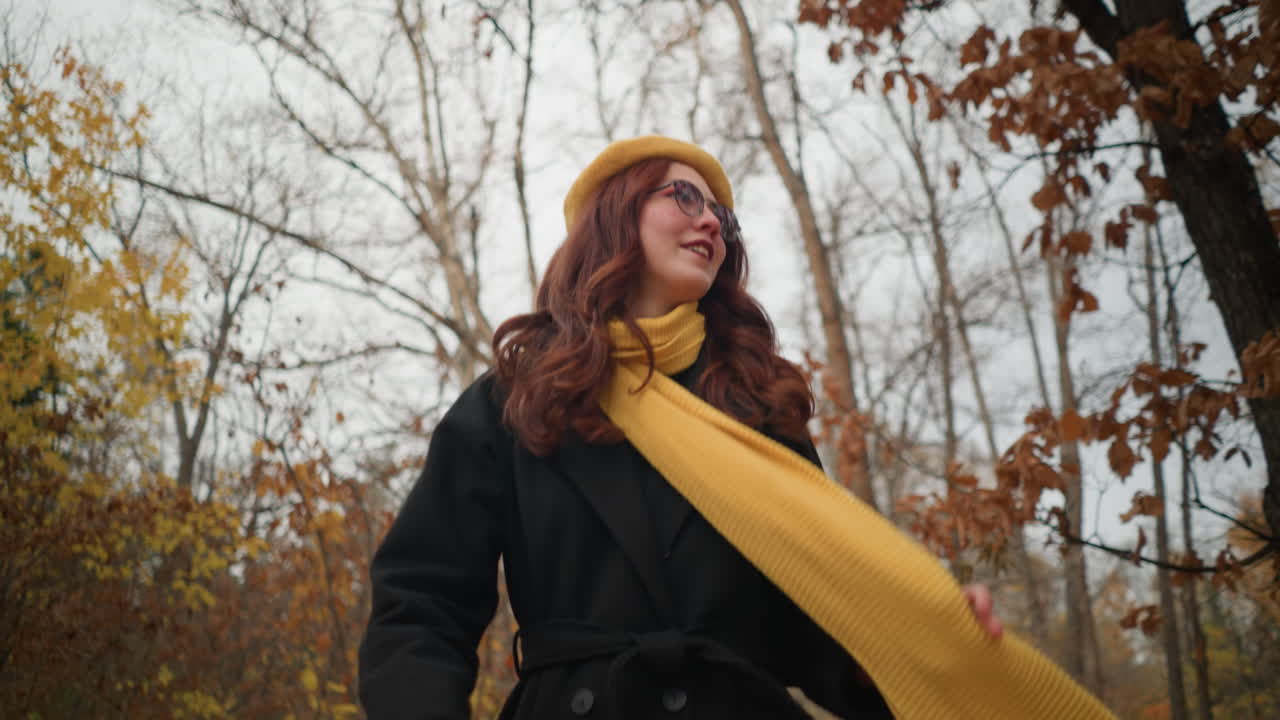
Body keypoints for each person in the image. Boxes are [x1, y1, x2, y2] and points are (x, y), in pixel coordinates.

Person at [358, 136, 1005, 720]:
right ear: (617, 213)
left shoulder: (758, 404)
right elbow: (421, 604)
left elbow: (810, 620)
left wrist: (912, 643)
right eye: (686, 196)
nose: (710, 223)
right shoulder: (515, 401)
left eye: (723, 218)